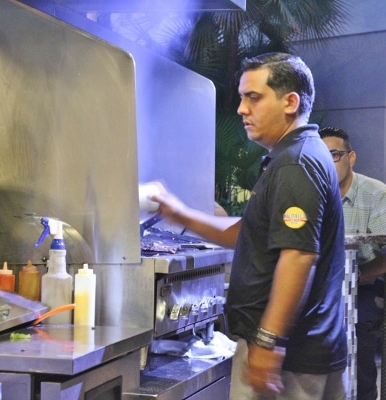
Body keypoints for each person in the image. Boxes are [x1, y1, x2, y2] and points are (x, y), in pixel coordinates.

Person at [150, 52, 347, 399]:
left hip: (291, 358)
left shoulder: (295, 163)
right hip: (300, 349)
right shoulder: (293, 156)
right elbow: (247, 233)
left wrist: (269, 341)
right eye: (242, 97)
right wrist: (180, 214)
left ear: (290, 102)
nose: (241, 109)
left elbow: (298, 257)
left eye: (253, 97)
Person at [319, 126, 386, 400]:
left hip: (371, 284)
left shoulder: (375, 193)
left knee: (353, 321)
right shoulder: (311, 195)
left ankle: (362, 395)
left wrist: (357, 276)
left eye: (333, 154)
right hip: (324, 284)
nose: (326, 162)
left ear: (351, 157)